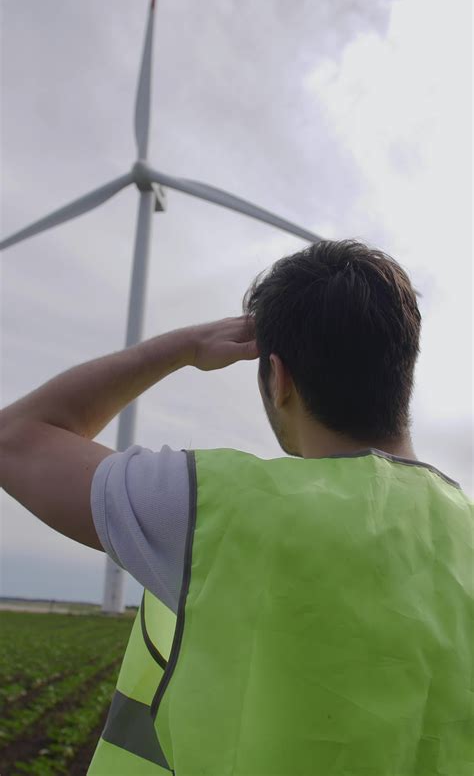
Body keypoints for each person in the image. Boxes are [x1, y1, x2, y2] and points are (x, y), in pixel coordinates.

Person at [1, 239, 472, 774]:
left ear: (279, 378)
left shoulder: (204, 504)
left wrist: (182, 346)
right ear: (404, 371)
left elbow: (16, 437)